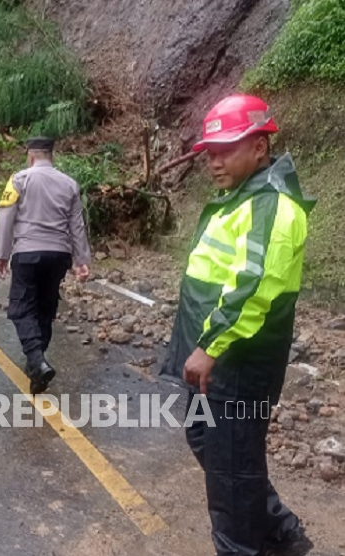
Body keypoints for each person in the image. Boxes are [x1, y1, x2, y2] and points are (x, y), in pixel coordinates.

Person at [159, 94, 316, 556]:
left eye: (226, 149)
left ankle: (246, 544)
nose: (214, 161)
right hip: (220, 357)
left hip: (238, 359)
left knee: (230, 473)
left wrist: (210, 346)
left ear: (260, 148)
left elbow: (254, 285)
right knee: (210, 442)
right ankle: (279, 531)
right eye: (210, 151)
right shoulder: (244, 199)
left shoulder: (272, 205)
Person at [0, 136, 91, 394]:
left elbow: (6, 218)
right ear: (50, 155)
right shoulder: (70, 184)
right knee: (45, 309)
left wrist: (0, 254)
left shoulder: (18, 180)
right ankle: (38, 371)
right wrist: (82, 260)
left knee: (21, 309)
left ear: (31, 155)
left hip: (27, 253)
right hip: (59, 255)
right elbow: (76, 225)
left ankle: (36, 359)